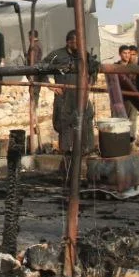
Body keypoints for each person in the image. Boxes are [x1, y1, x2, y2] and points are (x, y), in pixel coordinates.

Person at [43, 30, 94, 171]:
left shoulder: (84, 55)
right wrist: (50, 84)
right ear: (68, 42)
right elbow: (40, 68)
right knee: (64, 126)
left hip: (81, 96)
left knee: (85, 121)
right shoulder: (57, 55)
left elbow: (94, 69)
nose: (78, 45)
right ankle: (66, 166)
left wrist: (89, 84)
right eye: (75, 42)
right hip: (64, 97)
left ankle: (82, 161)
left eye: (80, 42)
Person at [113, 45, 139, 141]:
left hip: (132, 96)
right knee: (119, 118)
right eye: (125, 53)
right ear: (120, 54)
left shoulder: (133, 67)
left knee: (132, 118)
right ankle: (119, 139)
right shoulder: (115, 66)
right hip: (119, 97)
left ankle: (131, 139)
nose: (127, 55)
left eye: (129, 53)